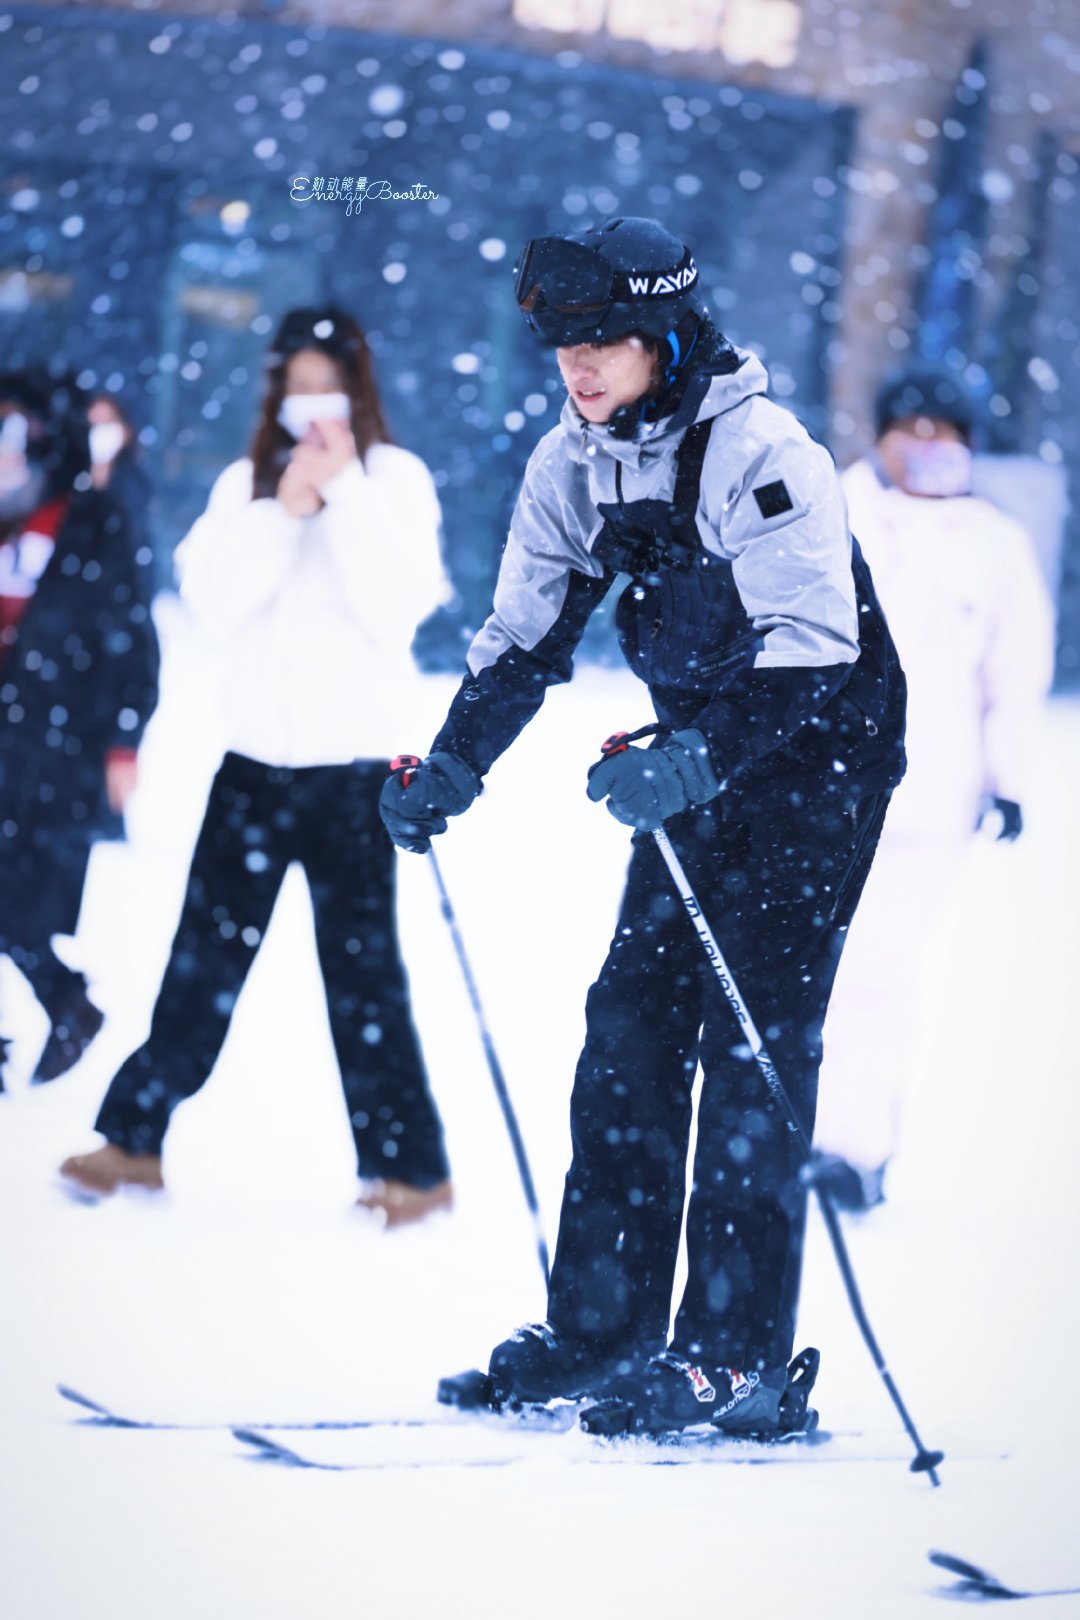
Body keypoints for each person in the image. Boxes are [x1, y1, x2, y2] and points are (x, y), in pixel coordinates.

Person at [379, 218, 906, 1435]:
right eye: (562, 340)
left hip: (820, 760)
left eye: (605, 339)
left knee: (752, 1046)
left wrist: (701, 756)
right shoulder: (573, 463)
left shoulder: (761, 451)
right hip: (699, 761)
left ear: (664, 336)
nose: (578, 363)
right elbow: (525, 637)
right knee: (628, 1029)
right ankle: (604, 1334)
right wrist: (454, 763)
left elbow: (816, 646)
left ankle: (735, 1358)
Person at [59, 307, 455, 1225]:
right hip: (251, 770)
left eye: (328, 384)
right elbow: (210, 601)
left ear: (356, 390)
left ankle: (411, 1171)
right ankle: (133, 1141)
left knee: (363, 979)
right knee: (200, 965)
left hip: (353, 774)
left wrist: (344, 493)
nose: (311, 404)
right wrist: (285, 512)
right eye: (297, 384)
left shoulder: (396, 480)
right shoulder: (246, 483)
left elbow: (398, 605)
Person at [812, 364, 1055, 1210]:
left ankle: (853, 1148)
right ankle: (774, 1136)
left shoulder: (995, 544)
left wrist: (1009, 778)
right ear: (879, 437)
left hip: (927, 803)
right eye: (908, 428)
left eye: (942, 431)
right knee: (799, 970)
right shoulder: (830, 512)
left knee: (876, 977)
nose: (923, 446)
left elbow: (1015, 670)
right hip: (818, 793)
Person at [0, 371, 158, 1090]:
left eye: (19, 427)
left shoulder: (94, 519)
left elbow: (131, 639)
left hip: (55, 743)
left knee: (21, 902)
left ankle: (67, 1002)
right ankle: (64, 1003)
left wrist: (125, 739)